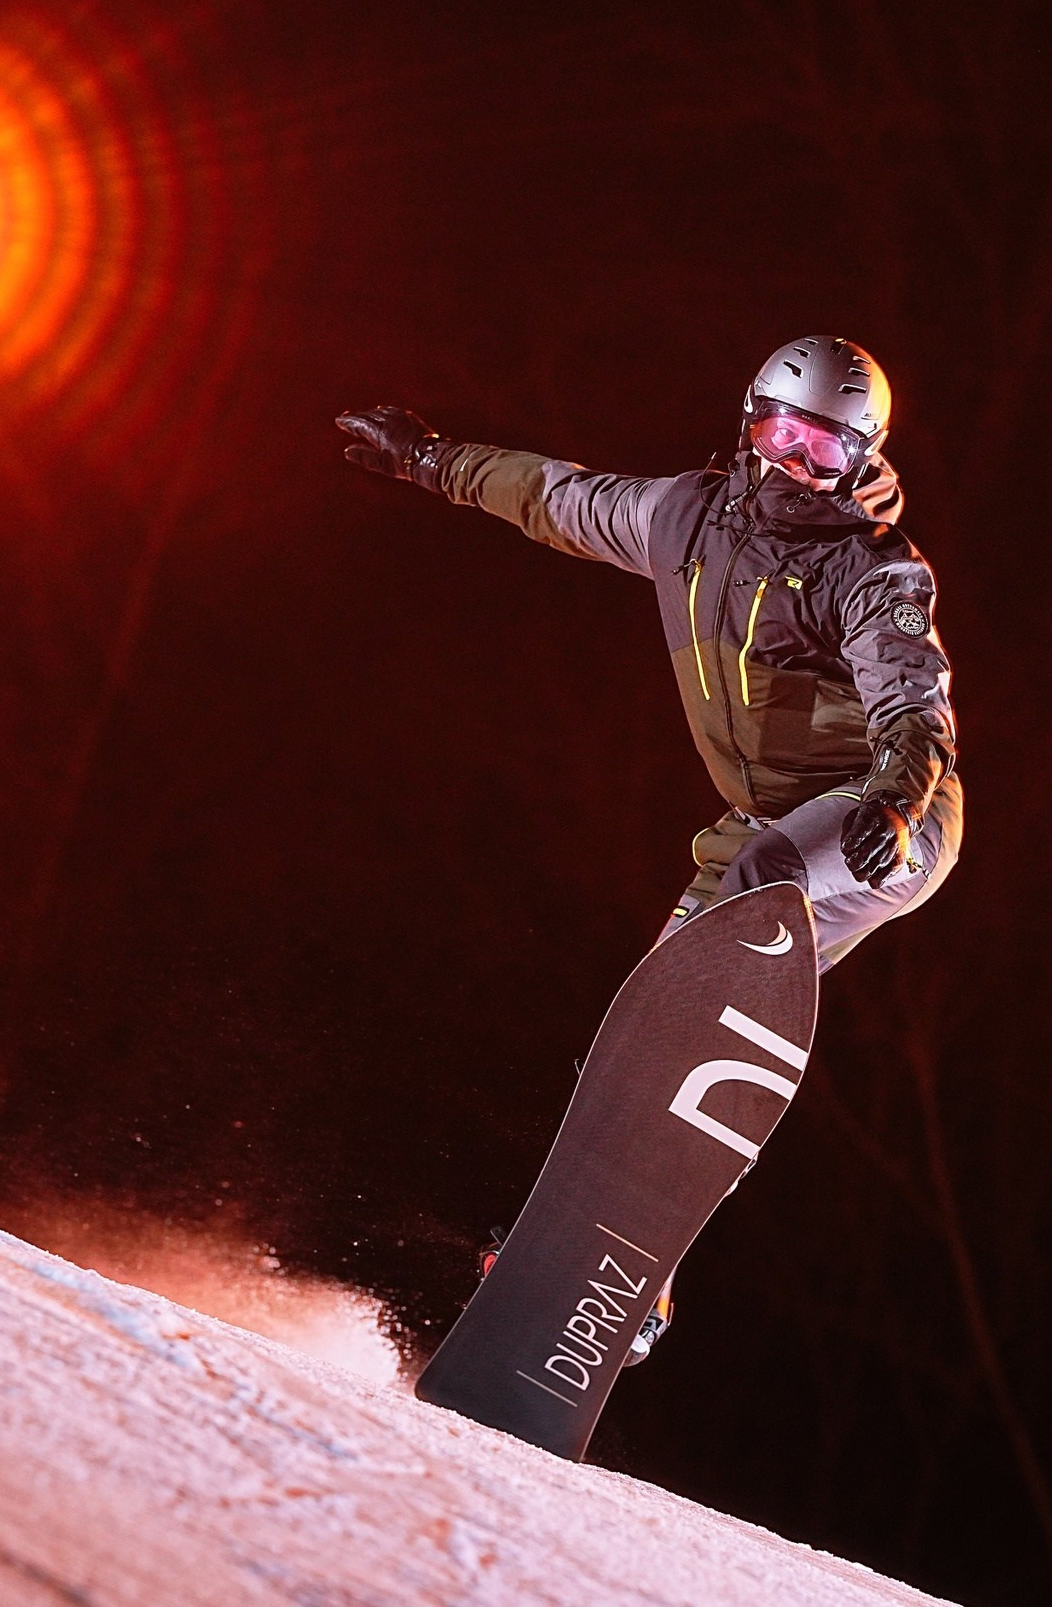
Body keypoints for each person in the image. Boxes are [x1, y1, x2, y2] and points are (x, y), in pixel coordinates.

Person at [336, 335, 963, 1357]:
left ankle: (644, 1237)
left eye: (825, 451)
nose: (796, 464)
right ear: (749, 421)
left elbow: (914, 699)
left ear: (862, 459)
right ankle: (619, 1268)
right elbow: (558, 496)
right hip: (761, 827)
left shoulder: (870, 566)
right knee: (655, 1015)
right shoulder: (684, 518)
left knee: (757, 889)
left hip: (887, 820)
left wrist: (896, 799)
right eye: (783, 434)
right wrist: (428, 459)